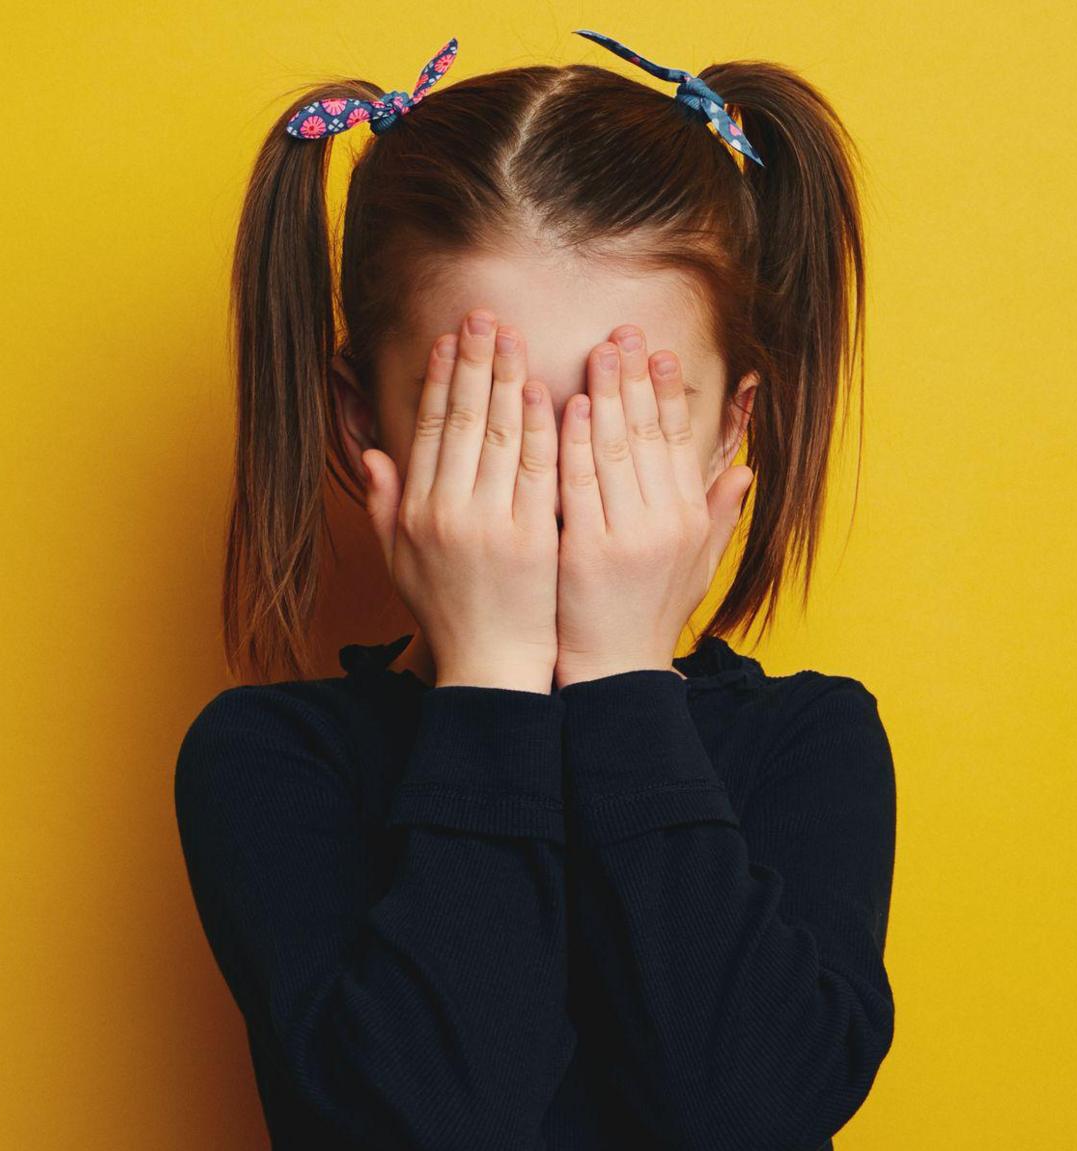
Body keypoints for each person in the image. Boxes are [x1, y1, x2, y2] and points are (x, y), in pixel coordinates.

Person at [175, 29, 896, 1150]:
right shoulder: (273, 758)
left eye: (626, 419)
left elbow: (749, 1115)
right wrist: (495, 682)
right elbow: (426, 1125)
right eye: (489, 412)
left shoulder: (811, 742)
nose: (557, 479)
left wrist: (619, 677)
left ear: (728, 431)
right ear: (363, 418)